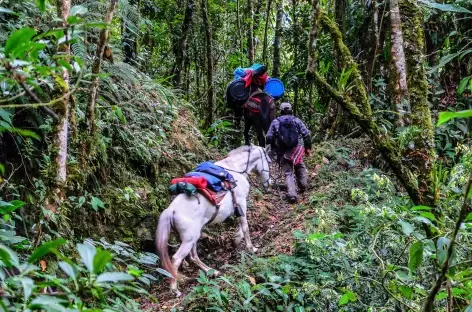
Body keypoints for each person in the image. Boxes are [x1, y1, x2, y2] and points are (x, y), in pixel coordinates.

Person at [266, 102, 312, 203]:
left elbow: (269, 137)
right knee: (300, 166)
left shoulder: (275, 122)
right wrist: (308, 148)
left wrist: (273, 148)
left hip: (283, 152)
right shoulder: (296, 120)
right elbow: (306, 135)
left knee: (288, 172)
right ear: (291, 110)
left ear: (281, 111)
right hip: (296, 150)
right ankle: (303, 185)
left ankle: (292, 194)